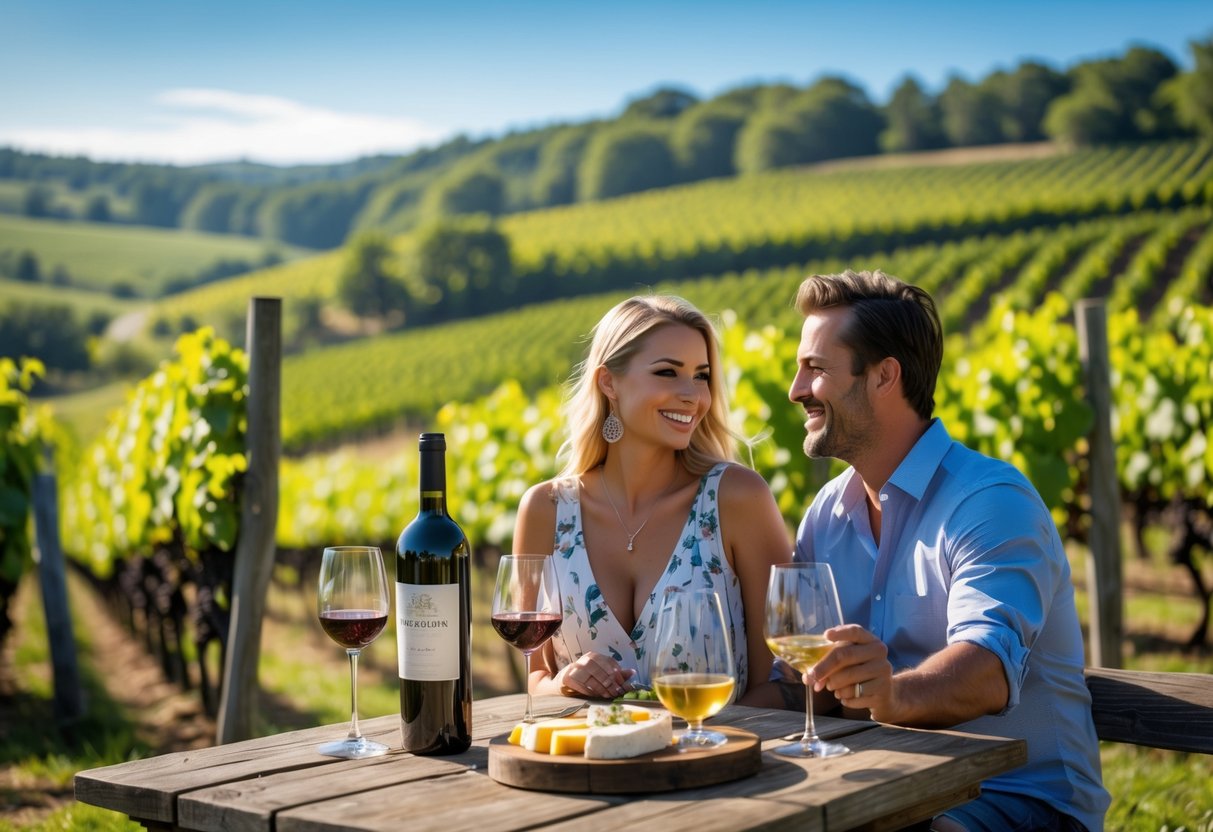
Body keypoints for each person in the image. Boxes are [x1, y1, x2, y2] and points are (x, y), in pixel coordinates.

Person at [775, 269, 1109, 831]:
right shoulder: (826, 516)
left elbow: (986, 672)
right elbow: (806, 681)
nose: (796, 389)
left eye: (816, 368)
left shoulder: (990, 503)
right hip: (887, 789)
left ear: (885, 376)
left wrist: (887, 694)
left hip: (1019, 801)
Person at [513, 295, 789, 703]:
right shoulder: (545, 510)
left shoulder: (736, 499)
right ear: (609, 382)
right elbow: (537, 681)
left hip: (713, 757)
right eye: (667, 373)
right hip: (591, 761)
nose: (692, 395)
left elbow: (781, 682)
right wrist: (566, 681)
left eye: (701, 376)